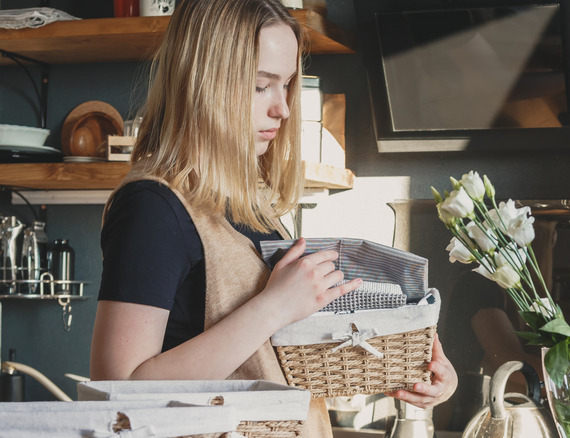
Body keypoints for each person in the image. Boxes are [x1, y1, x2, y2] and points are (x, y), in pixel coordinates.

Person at [89, 1, 456, 436]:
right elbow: (120, 389)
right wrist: (273, 307)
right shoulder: (152, 208)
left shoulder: (254, 208)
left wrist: (408, 366)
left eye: (286, 85)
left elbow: (271, 361)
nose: (282, 109)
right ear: (204, 84)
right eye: (262, 86)